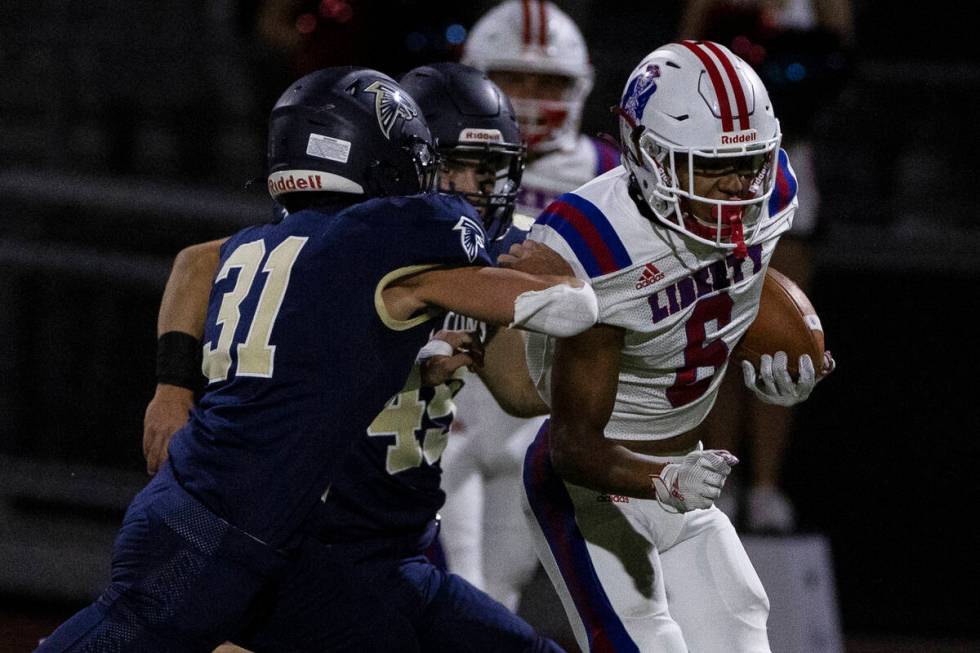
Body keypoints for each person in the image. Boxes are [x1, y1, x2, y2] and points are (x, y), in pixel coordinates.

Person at [36, 66, 597, 653]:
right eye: (449, 164)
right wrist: (173, 387)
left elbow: (518, 391)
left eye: (485, 170)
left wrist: (437, 349)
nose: (467, 187)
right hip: (275, 526)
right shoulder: (374, 236)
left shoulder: (345, 237)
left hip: (366, 544)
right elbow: (202, 264)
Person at [516, 41, 835, 652]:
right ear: (645, 155)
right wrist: (662, 478)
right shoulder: (598, 246)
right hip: (595, 485)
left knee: (741, 625)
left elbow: (737, 293)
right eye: (709, 166)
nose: (737, 190)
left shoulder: (769, 198)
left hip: (685, 468)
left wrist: (778, 365)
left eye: (750, 164)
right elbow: (572, 445)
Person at [435, 0, 621, 612]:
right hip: (447, 387)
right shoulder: (435, 157)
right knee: (454, 586)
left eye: (549, 82)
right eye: (514, 78)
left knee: (502, 591)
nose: (532, 96)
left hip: (541, 400)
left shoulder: (611, 175)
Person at [678, 0, 853, 532]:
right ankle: (722, 478)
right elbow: (682, 61)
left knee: (787, 336)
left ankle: (766, 487)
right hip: (715, 166)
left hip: (788, 158)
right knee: (721, 334)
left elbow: (840, 58)